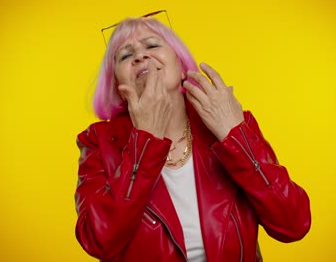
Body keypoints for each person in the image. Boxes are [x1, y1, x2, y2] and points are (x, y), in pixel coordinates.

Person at [74, 14, 311, 262]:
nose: (140, 56)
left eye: (153, 45)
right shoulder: (98, 142)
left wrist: (235, 137)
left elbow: (293, 224)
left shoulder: (230, 121)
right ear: (116, 84)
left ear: (180, 63)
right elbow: (98, 241)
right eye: (125, 55)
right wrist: (145, 142)